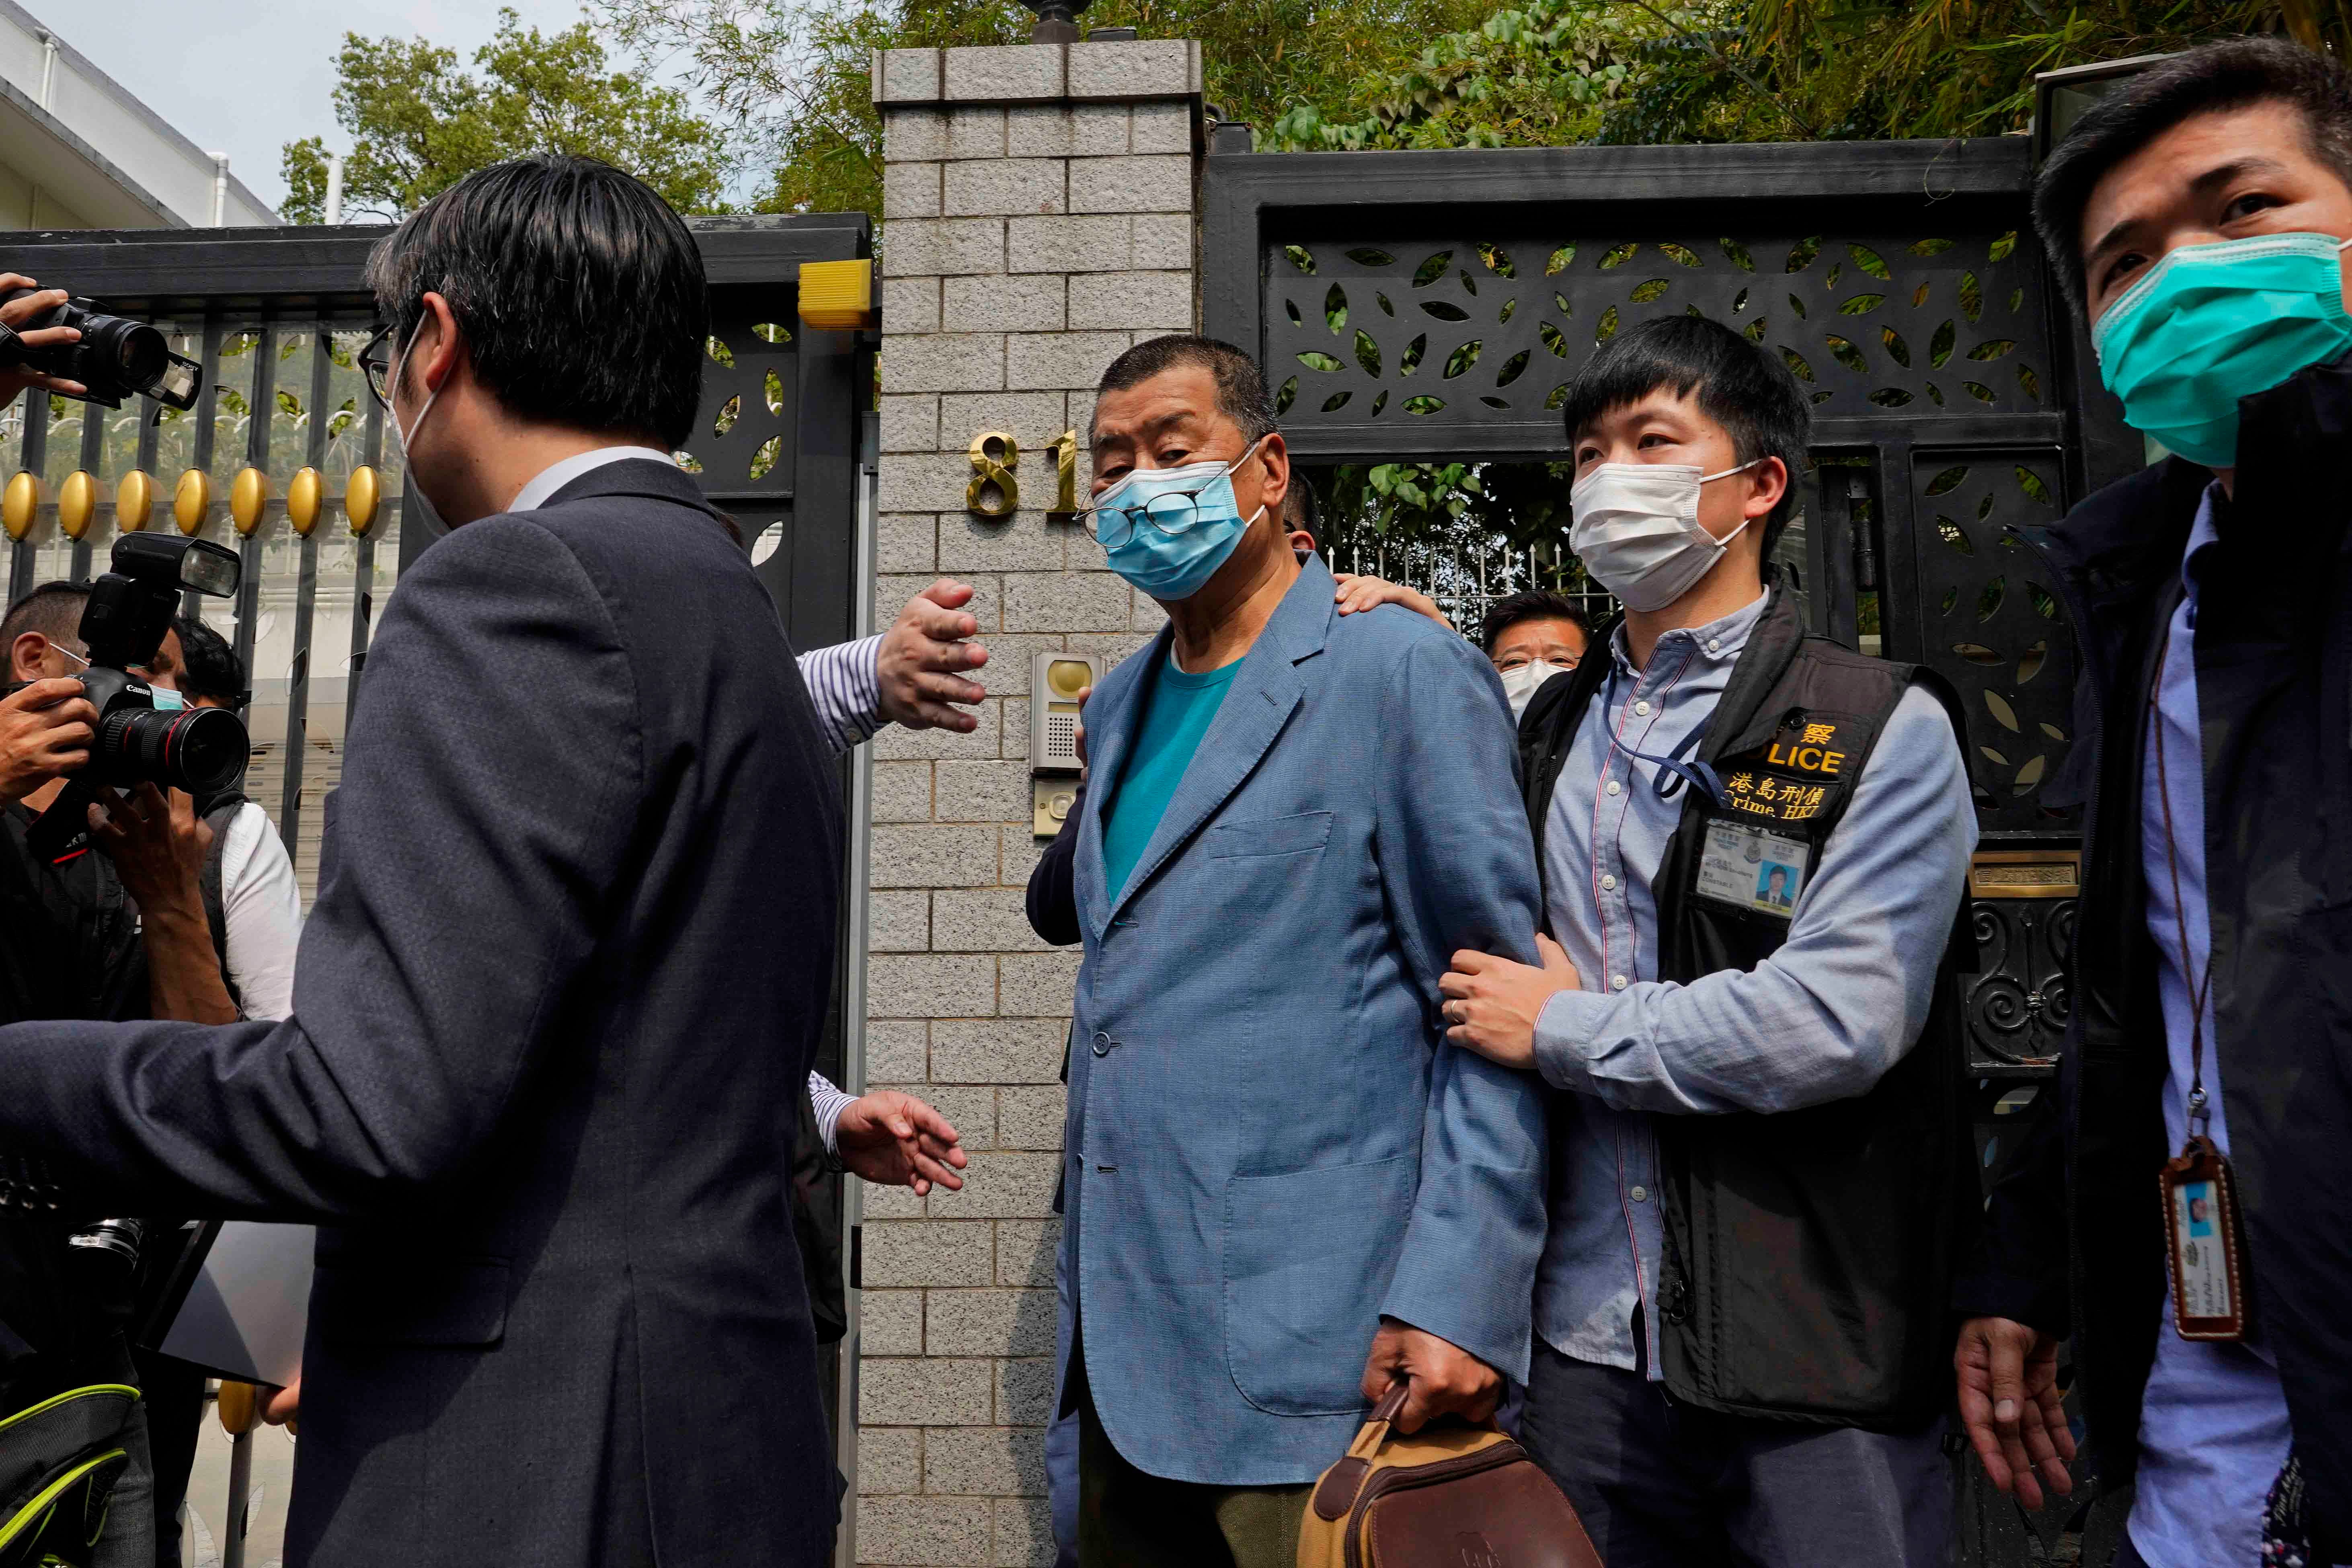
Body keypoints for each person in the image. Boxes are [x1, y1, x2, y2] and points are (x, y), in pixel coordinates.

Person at [0, 155, 967, 1568]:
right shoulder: (723, 600)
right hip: (710, 1435)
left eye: (383, 356)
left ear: (436, 345)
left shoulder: (513, 583)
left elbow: (369, 1104)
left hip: (532, 1460)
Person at [1432, 314, 1980, 1568]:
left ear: (1756, 484)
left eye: (1649, 440)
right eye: (1584, 452)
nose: (1606, 476)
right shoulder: (1545, 729)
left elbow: (1834, 1017)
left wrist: (1562, 1027)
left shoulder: (1872, 723)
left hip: (1813, 1346)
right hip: (1578, 1350)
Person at [1953, 37, 2352, 1568]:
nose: (2183, 272)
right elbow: (2152, 997)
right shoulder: (2142, 593)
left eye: (2242, 209)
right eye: (2127, 261)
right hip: (2199, 1438)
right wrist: (2025, 1260)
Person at [1055, 334, 1547, 1567]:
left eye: (1173, 451)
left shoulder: (1399, 669)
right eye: (1109, 465)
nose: (1135, 487)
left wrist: (1458, 1291)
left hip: (1322, 1362)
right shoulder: (1115, 704)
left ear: (1266, 470)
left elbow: (1493, 1006)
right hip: (1122, 1352)